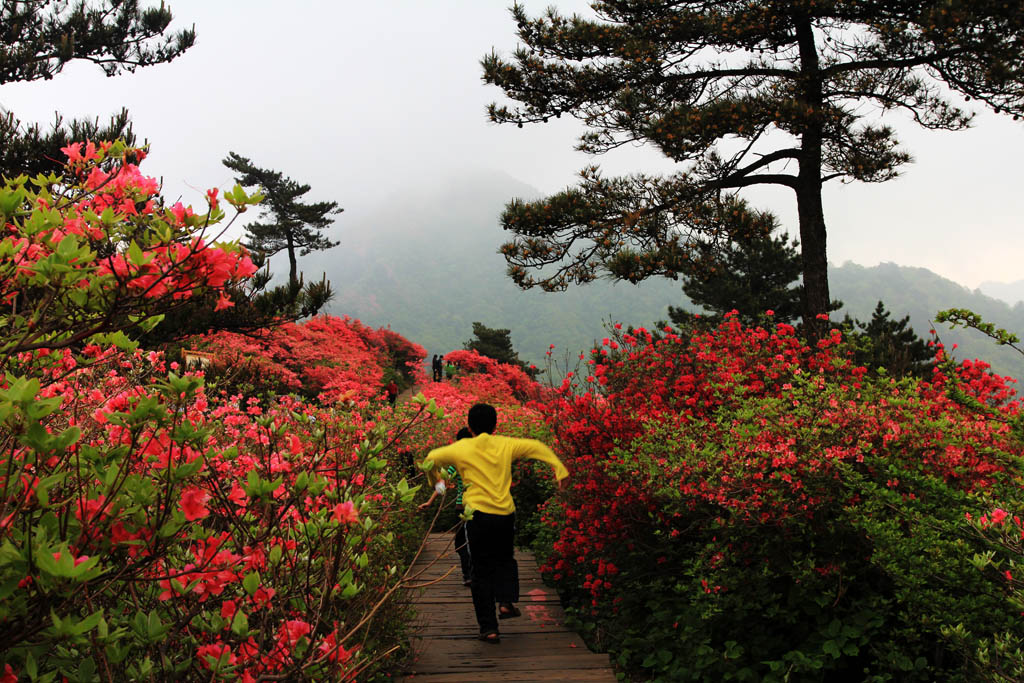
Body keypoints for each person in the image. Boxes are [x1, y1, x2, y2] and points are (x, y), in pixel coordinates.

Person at [423, 403, 569, 644]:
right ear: (495, 425)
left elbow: (430, 459)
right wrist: (560, 469)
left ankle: (489, 629)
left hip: (476, 515)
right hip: (504, 514)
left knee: (480, 570)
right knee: (505, 560)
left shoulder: (461, 448)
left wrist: (436, 482)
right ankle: (505, 602)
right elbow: (537, 447)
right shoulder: (505, 444)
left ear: (470, 426)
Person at [418, 427, 473, 586]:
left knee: (462, 543)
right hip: (481, 506)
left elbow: (443, 483)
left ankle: (468, 575)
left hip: (462, 508)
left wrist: (430, 502)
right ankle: (475, 574)